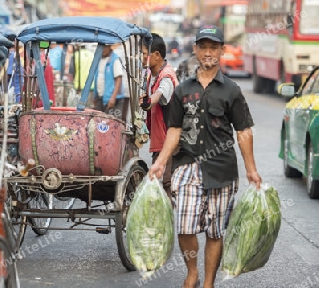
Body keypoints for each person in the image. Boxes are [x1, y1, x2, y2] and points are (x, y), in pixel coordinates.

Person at [148, 25, 262, 288]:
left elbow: (243, 131)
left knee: (215, 230)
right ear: (196, 50)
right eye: (204, 47)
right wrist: (161, 161)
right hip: (187, 166)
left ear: (221, 51)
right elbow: (174, 130)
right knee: (185, 227)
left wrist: (251, 169)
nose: (208, 52)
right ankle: (192, 272)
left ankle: (208, 280)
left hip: (222, 170)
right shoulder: (182, 90)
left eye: (214, 47)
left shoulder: (232, 90)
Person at [139, 33, 179, 196]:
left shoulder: (166, 75)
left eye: (143, 54)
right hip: (159, 140)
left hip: (168, 142)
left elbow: (162, 93)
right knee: (158, 183)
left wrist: (149, 101)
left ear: (156, 55)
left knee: (166, 184)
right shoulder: (151, 75)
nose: (141, 58)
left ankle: (167, 220)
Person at [94, 45, 124, 117]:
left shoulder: (115, 59)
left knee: (112, 123)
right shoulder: (99, 60)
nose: (102, 49)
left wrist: (113, 97)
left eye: (105, 47)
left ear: (109, 47)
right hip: (100, 98)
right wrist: (95, 96)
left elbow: (118, 79)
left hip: (113, 100)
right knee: (99, 122)